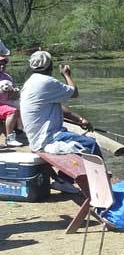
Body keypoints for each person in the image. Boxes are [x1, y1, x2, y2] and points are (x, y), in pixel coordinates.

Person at [20, 50, 100, 193]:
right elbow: (74, 92)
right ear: (50, 66)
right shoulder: (46, 82)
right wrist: (66, 74)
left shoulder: (30, 82)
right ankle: (98, 189)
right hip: (46, 139)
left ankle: (64, 180)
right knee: (91, 144)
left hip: (38, 137)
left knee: (78, 140)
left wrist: (79, 119)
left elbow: (60, 108)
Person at [0, 52, 22, 148]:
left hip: (5, 103)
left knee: (21, 107)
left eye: (3, 64)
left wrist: (14, 92)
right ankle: (10, 138)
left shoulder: (8, 77)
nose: (2, 66)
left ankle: (18, 130)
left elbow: (13, 95)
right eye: (0, 64)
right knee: (12, 112)